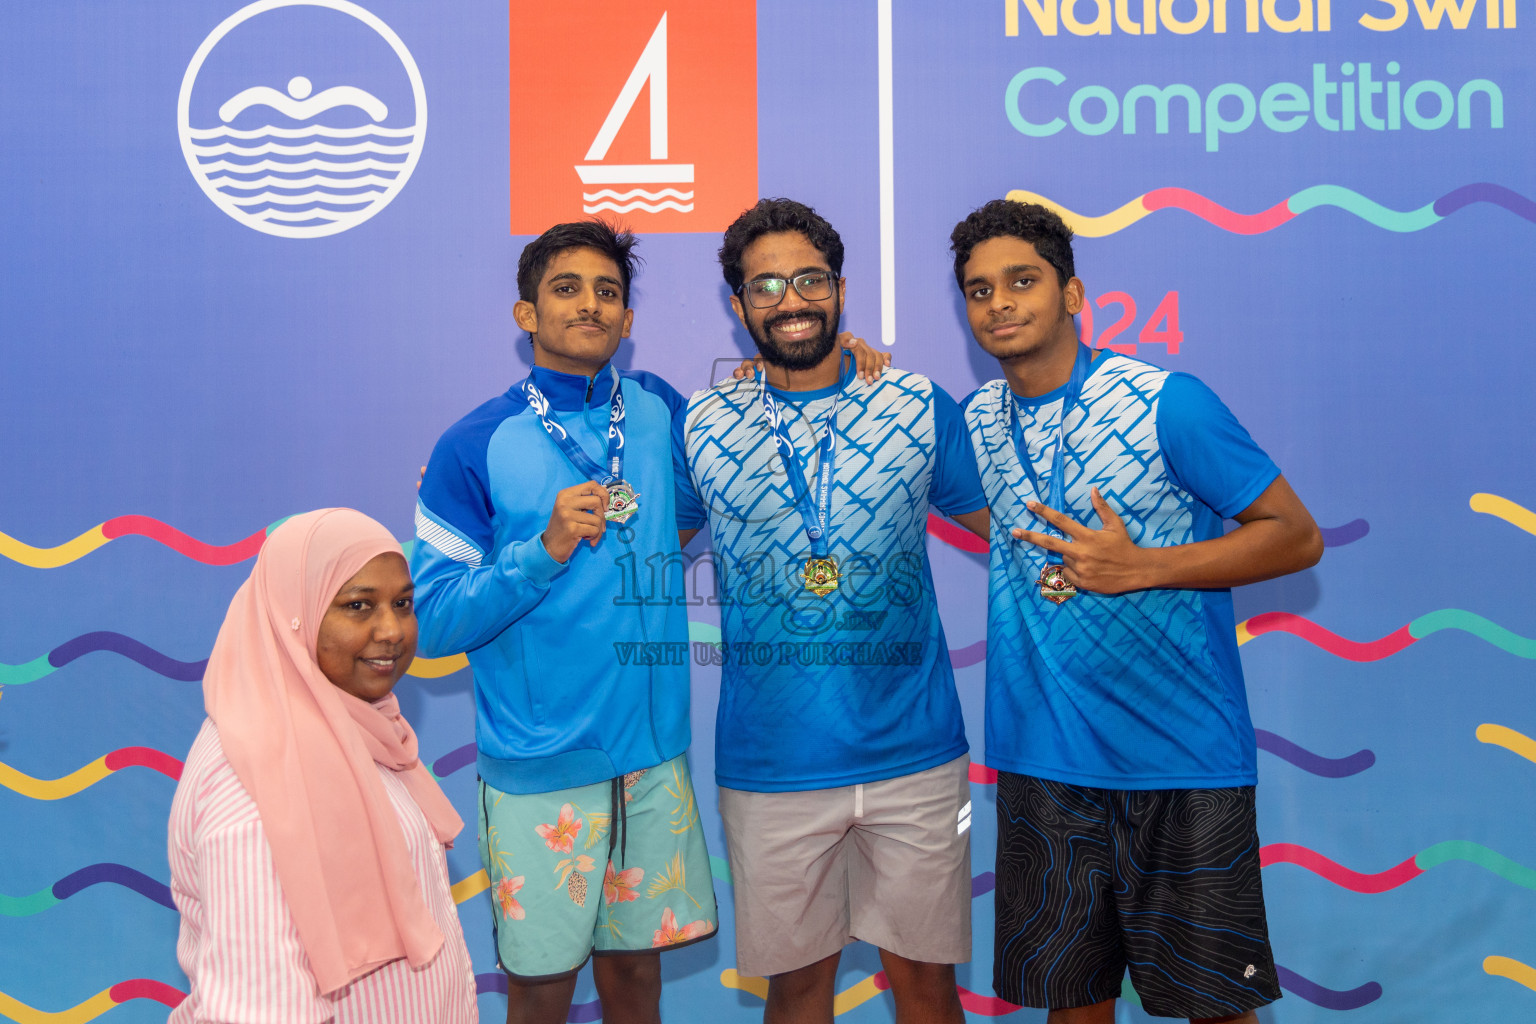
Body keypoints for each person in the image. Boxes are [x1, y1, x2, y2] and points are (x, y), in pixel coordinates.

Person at [951, 198, 1324, 1024]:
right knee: (1071, 1007)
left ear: (1072, 295)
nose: (1001, 303)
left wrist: (1143, 568)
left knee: (1217, 1009)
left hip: (1180, 762)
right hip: (1043, 765)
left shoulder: (1167, 402)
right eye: (979, 290)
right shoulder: (971, 422)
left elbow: (1295, 538)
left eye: (1023, 281)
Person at [682, 198, 991, 1024]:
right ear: (739, 304)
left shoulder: (917, 405)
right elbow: (630, 539)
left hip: (917, 758)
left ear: (841, 289)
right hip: (772, 766)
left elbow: (1017, 537)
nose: (791, 300)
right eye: (766, 285)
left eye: (809, 278)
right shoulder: (701, 423)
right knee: (798, 992)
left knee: (927, 990)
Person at [410, 220, 720, 1024]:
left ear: (627, 317)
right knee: (541, 993)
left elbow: (751, 446)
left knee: (635, 984)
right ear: (526, 314)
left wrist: (849, 364)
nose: (590, 304)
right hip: (541, 768)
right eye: (566, 288)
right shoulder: (473, 444)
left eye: (608, 291)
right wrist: (540, 551)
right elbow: (432, 624)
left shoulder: (658, 409)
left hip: (653, 760)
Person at [168, 508, 476, 1022]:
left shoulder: (353, 727)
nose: (393, 630)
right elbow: (259, 1009)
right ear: (297, 615)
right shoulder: (262, 790)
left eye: (403, 603)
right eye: (358, 606)